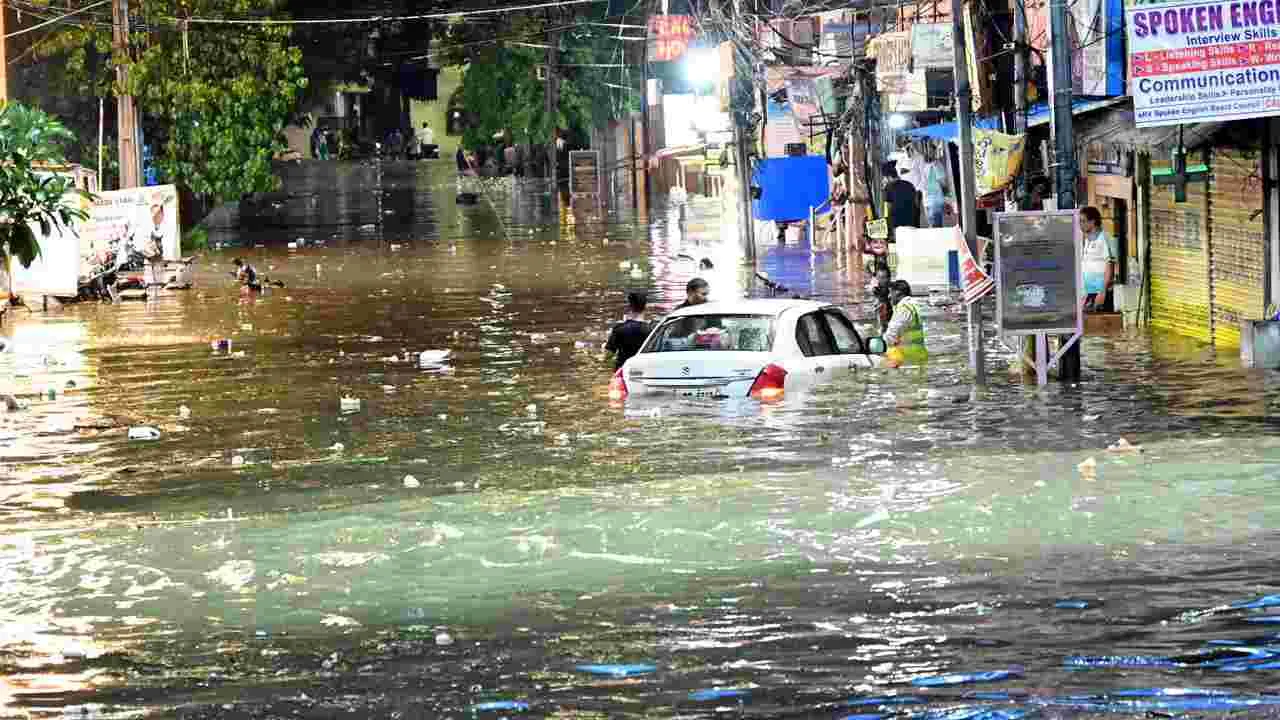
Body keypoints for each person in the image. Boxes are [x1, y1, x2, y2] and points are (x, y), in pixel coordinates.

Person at [1080, 206, 1118, 311]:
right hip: (1090, 292)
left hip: (1101, 293)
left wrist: (1102, 292)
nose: (1080, 225)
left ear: (1092, 222)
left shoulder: (1104, 238)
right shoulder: (1088, 239)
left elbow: (1109, 265)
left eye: (1083, 221)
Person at [882, 279, 928, 366]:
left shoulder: (903, 309)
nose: (889, 296)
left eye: (890, 292)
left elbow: (891, 335)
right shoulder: (913, 305)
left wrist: (881, 344)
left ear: (898, 292)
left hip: (903, 357)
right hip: (919, 354)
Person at [605, 292, 651, 370]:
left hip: (623, 370)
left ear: (629, 306)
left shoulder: (619, 329)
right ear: (645, 307)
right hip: (643, 370)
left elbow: (608, 356)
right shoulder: (652, 330)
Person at [883, 162, 919, 242]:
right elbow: (916, 203)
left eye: (884, 178)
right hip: (912, 218)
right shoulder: (909, 184)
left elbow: (887, 207)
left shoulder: (888, 188)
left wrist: (886, 220)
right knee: (912, 241)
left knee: (900, 244)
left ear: (889, 177)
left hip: (897, 220)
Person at [922, 153, 951, 228]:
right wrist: (948, 197)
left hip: (929, 200)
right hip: (934, 199)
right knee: (936, 225)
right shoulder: (936, 166)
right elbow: (943, 183)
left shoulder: (924, 167)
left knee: (933, 224)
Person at [870, 265, 893, 333]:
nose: (884, 280)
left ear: (890, 278)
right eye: (881, 278)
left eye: (886, 277)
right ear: (877, 278)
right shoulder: (874, 291)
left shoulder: (894, 290)